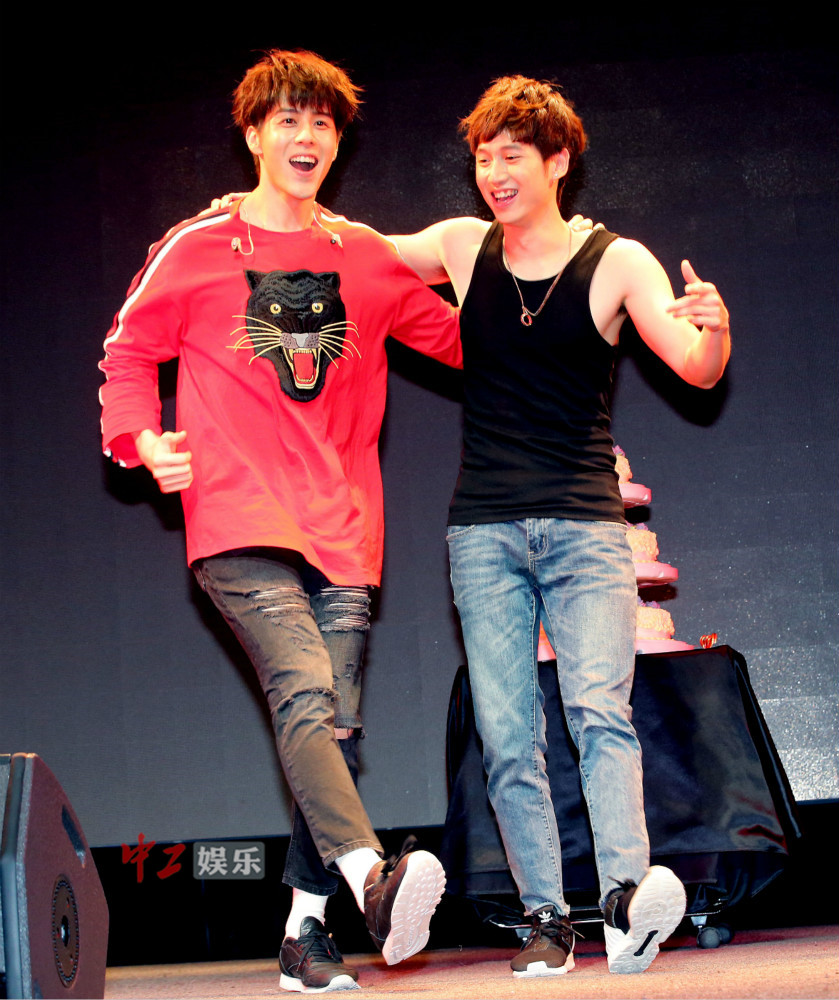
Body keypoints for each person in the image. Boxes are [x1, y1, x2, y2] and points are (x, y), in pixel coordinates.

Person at [99, 49, 460, 994]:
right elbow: (128, 354)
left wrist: (590, 300)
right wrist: (141, 441)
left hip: (345, 526)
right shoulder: (196, 248)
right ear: (254, 134)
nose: (307, 137)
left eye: (322, 123)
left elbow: (469, 344)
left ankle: (304, 934)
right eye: (288, 120)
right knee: (303, 689)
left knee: (331, 728)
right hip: (236, 516)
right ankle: (370, 879)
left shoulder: (365, 256)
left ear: (337, 142)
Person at [386, 76, 731, 977]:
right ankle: (545, 918)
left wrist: (714, 331)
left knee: (598, 714)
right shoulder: (462, 246)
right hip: (482, 532)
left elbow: (695, 367)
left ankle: (624, 905)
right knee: (507, 735)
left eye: (512, 155)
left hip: (583, 525)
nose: (493, 173)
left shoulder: (616, 261)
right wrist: (261, 218)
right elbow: (357, 255)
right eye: (482, 158)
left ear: (558, 161)